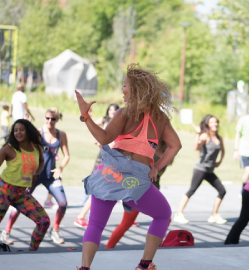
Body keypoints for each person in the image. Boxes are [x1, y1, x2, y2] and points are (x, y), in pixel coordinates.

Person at [75, 63, 181, 270]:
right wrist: (156, 168)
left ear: (137, 90)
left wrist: (85, 117)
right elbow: (176, 145)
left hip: (111, 173)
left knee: (96, 223)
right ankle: (144, 265)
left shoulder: (125, 113)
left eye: (125, 86)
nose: (122, 90)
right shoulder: (160, 118)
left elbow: (104, 138)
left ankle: (84, 267)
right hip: (136, 178)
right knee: (162, 214)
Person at [0, 120, 50, 252]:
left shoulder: (36, 146)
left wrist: (36, 175)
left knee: (43, 221)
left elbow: (41, 161)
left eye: (21, 129)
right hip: (2, 190)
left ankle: (32, 253)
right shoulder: (9, 148)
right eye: (15, 130)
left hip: (21, 193)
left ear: (28, 130)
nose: (18, 133)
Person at [2, 108, 70, 245]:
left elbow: (67, 155)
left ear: (58, 119)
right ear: (44, 118)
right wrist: (26, 126)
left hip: (51, 176)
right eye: (47, 118)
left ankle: (55, 230)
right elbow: (23, 143)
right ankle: (6, 232)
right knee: (19, 203)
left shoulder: (61, 134)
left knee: (63, 203)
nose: (50, 121)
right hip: (35, 175)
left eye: (53, 119)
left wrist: (60, 168)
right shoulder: (38, 132)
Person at [105, 139, 172, 248]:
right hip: (139, 191)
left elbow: (158, 172)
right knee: (127, 223)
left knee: (165, 219)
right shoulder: (149, 147)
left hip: (151, 192)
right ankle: (109, 247)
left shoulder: (167, 151)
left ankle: (156, 246)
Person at [173, 114, 227, 225]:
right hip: (201, 169)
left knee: (222, 191)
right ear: (208, 124)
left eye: (216, 122)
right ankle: (179, 214)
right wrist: (198, 134)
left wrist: (219, 161)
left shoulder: (219, 137)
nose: (215, 124)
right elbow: (196, 148)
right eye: (212, 122)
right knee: (192, 190)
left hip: (210, 171)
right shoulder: (204, 136)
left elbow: (223, 151)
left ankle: (214, 215)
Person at [75, 103, 120, 229]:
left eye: (114, 110)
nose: (112, 111)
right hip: (106, 158)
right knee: (99, 190)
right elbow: (92, 127)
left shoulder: (118, 123)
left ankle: (129, 217)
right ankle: (82, 216)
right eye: (110, 109)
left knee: (103, 190)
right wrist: (86, 116)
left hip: (113, 159)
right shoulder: (106, 120)